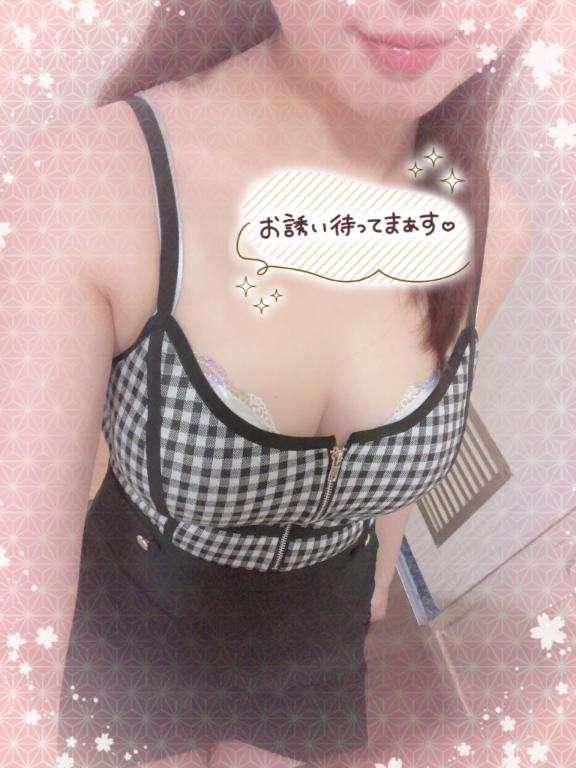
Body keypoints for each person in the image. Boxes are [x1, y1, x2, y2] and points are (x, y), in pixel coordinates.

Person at [3, 1, 535, 767]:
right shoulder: (97, 180)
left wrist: (374, 586)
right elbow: (19, 606)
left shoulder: (495, 228)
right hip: (141, 618)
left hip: (316, 638)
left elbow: (401, 484)